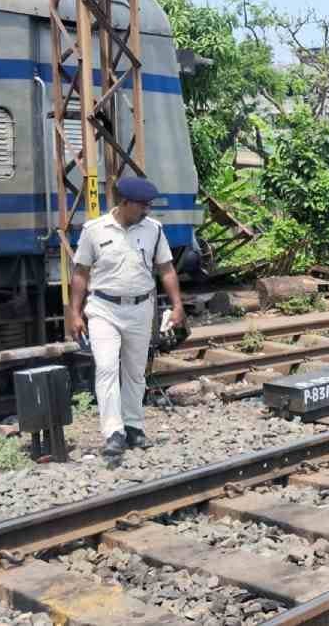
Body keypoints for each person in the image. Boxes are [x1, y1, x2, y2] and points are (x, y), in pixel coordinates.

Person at [68, 176, 186, 456]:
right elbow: (80, 272)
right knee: (107, 368)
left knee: (134, 372)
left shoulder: (154, 230)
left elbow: (166, 269)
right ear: (124, 202)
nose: (146, 210)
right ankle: (113, 432)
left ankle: (134, 427)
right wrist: (74, 313)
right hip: (103, 309)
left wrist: (178, 305)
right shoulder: (94, 230)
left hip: (141, 308)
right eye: (142, 205)